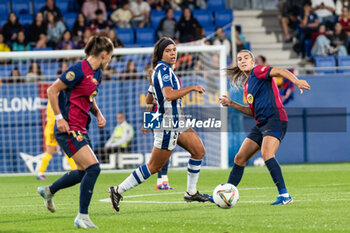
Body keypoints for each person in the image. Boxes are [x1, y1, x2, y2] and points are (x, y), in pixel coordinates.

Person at [108, 37, 209, 213]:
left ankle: (191, 192)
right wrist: (192, 88)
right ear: (161, 53)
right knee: (154, 166)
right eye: (168, 51)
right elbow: (169, 95)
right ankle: (117, 190)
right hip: (168, 124)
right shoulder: (164, 71)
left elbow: (149, 98)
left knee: (198, 151)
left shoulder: (161, 71)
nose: (172, 53)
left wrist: (156, 108)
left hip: (177, 122)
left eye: (174, 50)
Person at [37, 35, 114, 228]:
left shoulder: (97, 74)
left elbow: (89, 96)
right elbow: (52, 90)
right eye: (110, 56)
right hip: (69, 127)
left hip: (82, 127)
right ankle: (82, 216)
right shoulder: (78, 69)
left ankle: (49, 190)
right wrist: (59, 118)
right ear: (104, 54)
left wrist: (98, 113)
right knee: (94, 168)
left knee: (82, 172)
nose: (111, 60)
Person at [215, 50, 310, 205]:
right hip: (261, 123)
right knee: (239, 158)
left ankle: (285, 196)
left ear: (253, 61)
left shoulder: (258, 71)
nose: (243, 60)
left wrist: (296, 81)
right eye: (239, 59)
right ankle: (226, 194)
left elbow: (281, 71)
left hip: (276, 119)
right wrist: (232, 103)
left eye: (246, 58)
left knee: (267, 154)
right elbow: (252, 112)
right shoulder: (247, 86)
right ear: (238, 64)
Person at [142, 85, 173, 190]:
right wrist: (145, 123)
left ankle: (163, 180)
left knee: (166, 149)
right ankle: (161, 181)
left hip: (164, 116)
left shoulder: (164, 81)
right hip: (158, 116)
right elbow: (150, 104)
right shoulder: (160, 83)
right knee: (164, 149)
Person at [37, 101, 77, 180]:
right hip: (53, 129)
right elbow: (54, 118)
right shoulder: (55, 100)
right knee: (51, 151)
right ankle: (40, 173)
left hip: (56, 128)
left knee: (67, 149)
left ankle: (76, 170)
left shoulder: (55, 99)